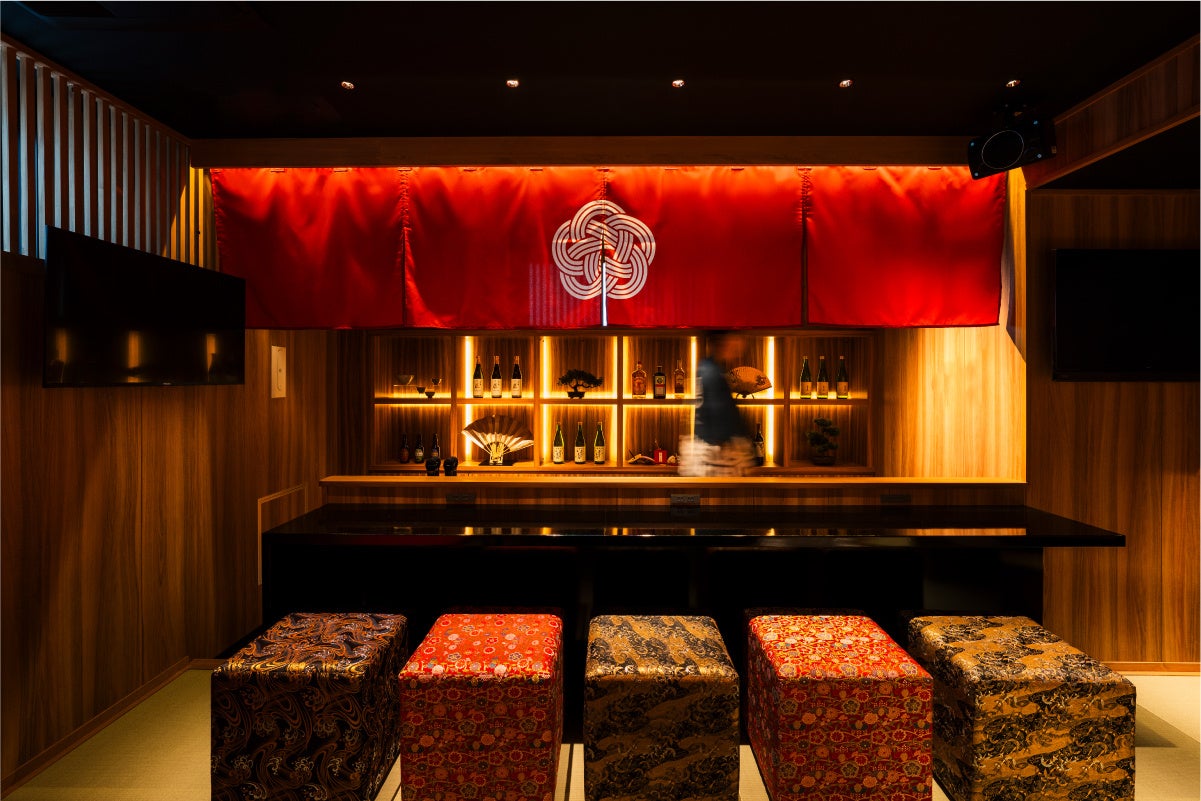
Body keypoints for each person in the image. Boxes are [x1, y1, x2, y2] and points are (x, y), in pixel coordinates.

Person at [681, 330, 755, 476]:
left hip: (704, 447)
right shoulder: (713, 373)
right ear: (725, 343)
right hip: (716, 453)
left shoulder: (705, 367)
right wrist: (739, 443)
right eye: (736, 339)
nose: (741, 344)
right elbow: (719, 412)